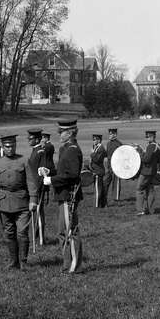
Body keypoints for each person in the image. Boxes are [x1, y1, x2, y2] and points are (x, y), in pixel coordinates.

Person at [0, 135, 40, 271]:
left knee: (22, 232)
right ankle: (13, 261)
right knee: (9, 233)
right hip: (4, 203)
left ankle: (23, 261)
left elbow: (31, 182)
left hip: (22, 202)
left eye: (12, 146)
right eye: (7, 146)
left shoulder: (24, 161)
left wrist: (33, 200)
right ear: (3, 147)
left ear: (16, 146)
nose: (10, 149)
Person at [43, 117, 84, 273]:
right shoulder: (65, 148)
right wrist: (50, 172)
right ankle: (67, 264)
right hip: (63, 195)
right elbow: (63, 171)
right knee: (62, 231)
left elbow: (72, 175)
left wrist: (51, 180)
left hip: (69, 196)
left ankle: (74, 266)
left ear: (71, 132)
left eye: (62, 132)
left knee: (70, 231)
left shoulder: (73, 150)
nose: (59, 134)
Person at [26, 129, 48, 246]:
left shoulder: (40, 151)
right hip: (33, 186)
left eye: (30, 139)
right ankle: (37, 236)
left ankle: (40, 239)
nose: (28, 140)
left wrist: (37, 188)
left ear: (37, 139)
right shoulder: (35, 150)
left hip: (37, 187)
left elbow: (42, 171)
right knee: (36, 213)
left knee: (39, 212)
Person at [135, 130, 160, 215]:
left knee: (139, 189)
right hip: (152, 171)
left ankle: (141, 210)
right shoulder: (158, 146)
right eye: (146, 137)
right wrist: (140, 148)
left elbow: (146, 159)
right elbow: (158, 159)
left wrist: (139, 152)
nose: (147, 138)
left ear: (153, 137)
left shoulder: (151, 146)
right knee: (150, 190)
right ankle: (151, 210)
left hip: (146, 172)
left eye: (148, 137)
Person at [104, 127, 124, 203]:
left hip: (117, 167)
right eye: (109, 134)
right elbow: (107, 154)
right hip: (109, 166)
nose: (109, 135)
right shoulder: (108, 143)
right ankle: (104, 196)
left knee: (116, 183)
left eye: (111, 134)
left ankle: (116, 198)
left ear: (115, 134)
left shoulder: (118, 144)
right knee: (105, 182)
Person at [89, 133, 108, 208]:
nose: (94, 141)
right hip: (96, 170)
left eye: (95, 139)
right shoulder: (96, 147)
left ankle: (97, 205)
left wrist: (92, 153)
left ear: (99, 140)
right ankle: (102, 204)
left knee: (98, 189)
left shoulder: (101, 148)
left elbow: (97, 159)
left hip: (98, 171)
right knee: (99, 188)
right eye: (93, 140)